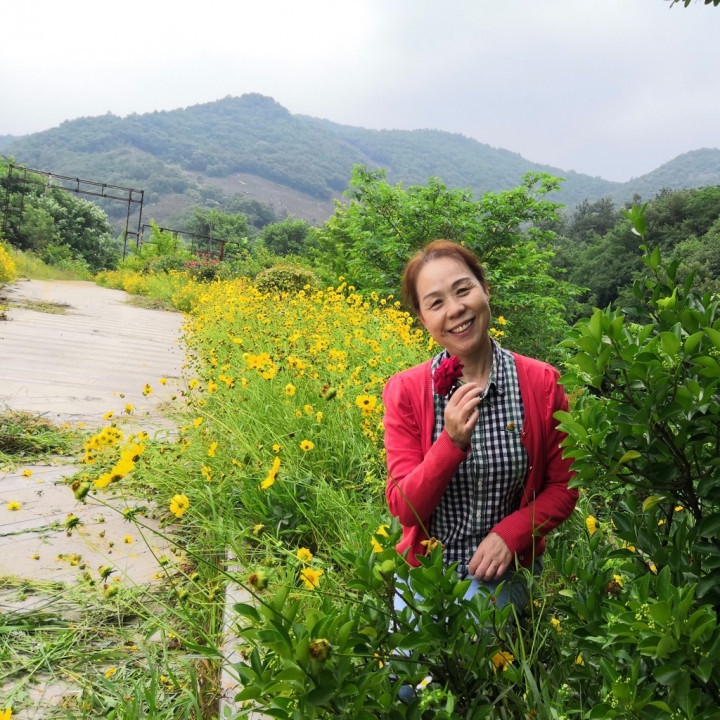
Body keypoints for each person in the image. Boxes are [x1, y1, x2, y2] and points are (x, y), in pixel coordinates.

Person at [383, 240, 577, 609]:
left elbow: (564, 486)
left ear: (485, 289)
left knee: (474, 632)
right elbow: (404, 508)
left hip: (504, 567)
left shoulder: (541, 383)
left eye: (463, 290)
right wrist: (451, 442)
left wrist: (512, 534)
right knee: (410, 648)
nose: (455, 309)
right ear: (423, 320)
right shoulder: (407, 390)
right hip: (426, 569)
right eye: (435, 303)